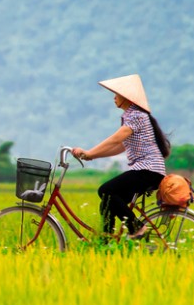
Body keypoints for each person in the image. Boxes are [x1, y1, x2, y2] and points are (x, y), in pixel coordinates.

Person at [70, 74, 170, 238]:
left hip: (148, 171)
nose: (114, 98)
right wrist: (92, 156)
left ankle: (137, 227)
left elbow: (115, 139)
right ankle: (106, 243)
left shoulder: (136, 115)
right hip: (146, 171)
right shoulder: (133, 116)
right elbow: (120, 147)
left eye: (116, 94)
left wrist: (89, 152)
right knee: (107, 203)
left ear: (127, 97)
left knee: (106, 190)